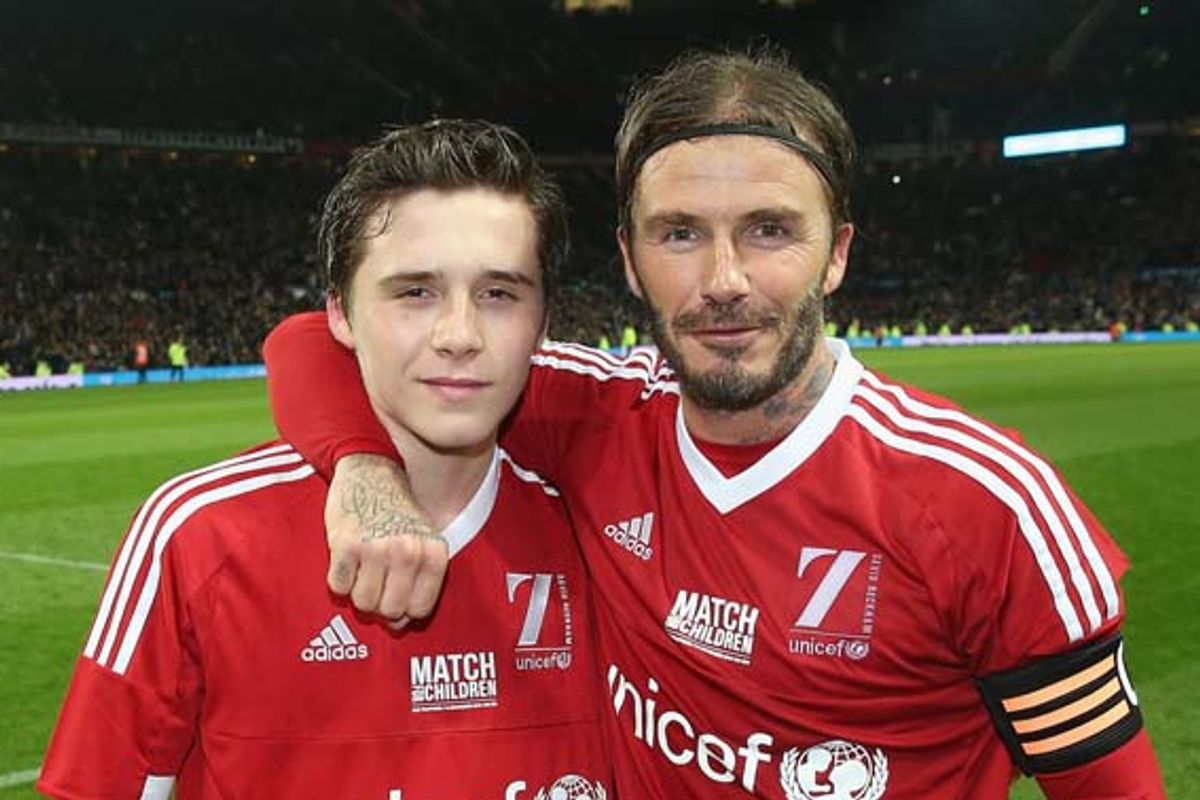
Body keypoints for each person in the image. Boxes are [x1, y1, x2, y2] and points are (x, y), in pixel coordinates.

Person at [263, 51, 1165, 799]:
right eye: (680, 233)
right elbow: (312, 340)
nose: (724, 280)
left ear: (837, 253)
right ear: (630, 259)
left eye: (769, 230)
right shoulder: (592, 414)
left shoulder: (985, 504)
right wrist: (366, 469)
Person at [38, 120, 609, 800]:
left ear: (544, 321)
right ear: (338, 314)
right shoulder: (197, 536)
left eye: (500, 294)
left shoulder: (607, 536)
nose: (460, 335)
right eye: (415, 292)